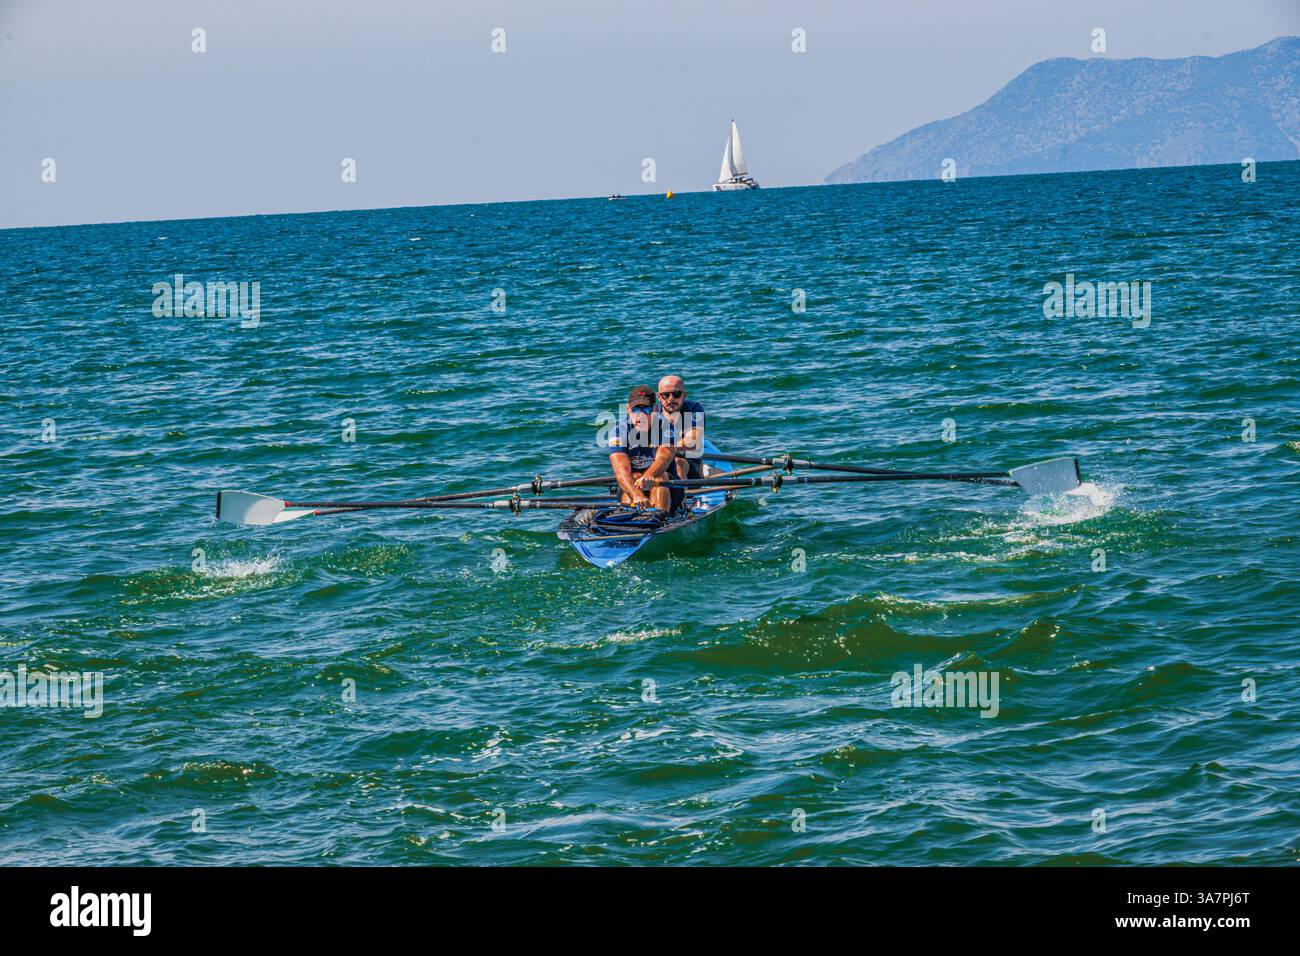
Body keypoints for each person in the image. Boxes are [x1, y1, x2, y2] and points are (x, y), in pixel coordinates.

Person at [608, 385, 676, 510]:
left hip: (668, 486)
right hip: (632, 487)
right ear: (628, 409)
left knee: (659, 477)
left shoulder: (665, 427)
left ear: (655, 409)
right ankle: (631, 519)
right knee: (632, 477)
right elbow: (620, 468)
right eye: (636, 409)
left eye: (646, 410)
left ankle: (660, 517)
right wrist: (636, 494)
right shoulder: (619, 431)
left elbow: (664, 458)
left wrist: (650, 474)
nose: (641, 415)